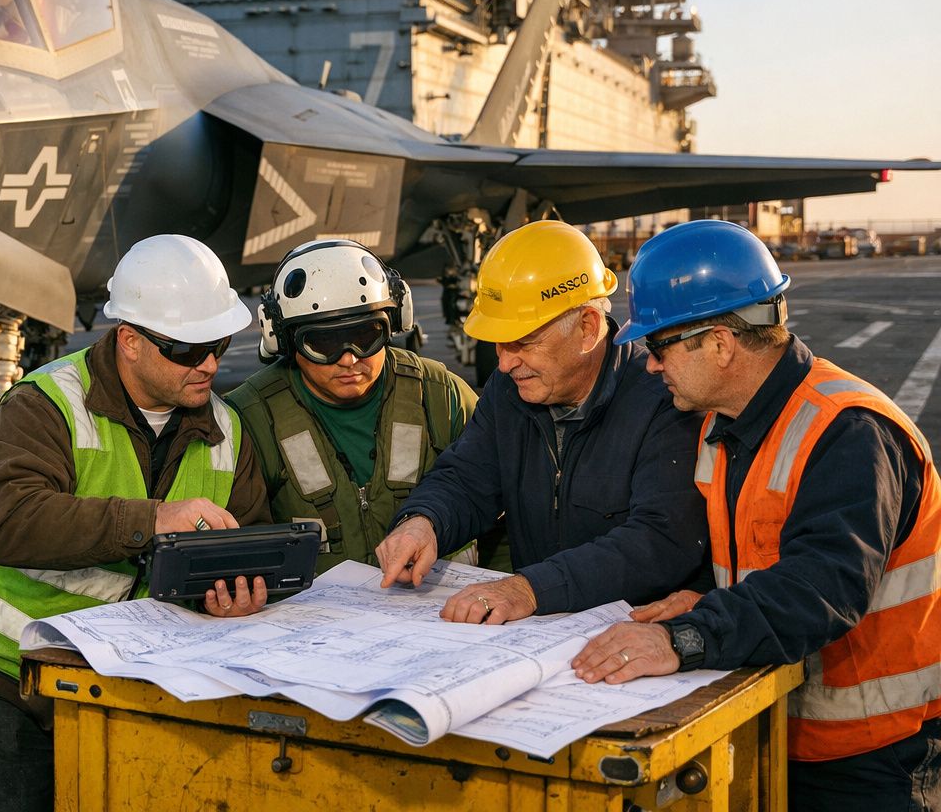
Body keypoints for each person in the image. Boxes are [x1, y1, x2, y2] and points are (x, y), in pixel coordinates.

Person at [571, 220, 940, 811]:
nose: (650, 366)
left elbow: (821, 588)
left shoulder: (848, 432)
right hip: (777, 729)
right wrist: (703, 599)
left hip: (872, 757)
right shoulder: (726, 424)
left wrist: (685, 638)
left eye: (660, 346)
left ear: (719, 343)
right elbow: (762, 562)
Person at [0, 234, 272, 812]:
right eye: (188, 350)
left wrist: (238, 591)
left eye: (217, 344)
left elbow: (248, 539)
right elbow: (12, 523)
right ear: (130, 342)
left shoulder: (228, 430)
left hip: (141, 681)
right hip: (14, 679)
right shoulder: (44, 404)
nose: (210, 365)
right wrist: (155, 519)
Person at [375, 219, 709, 623]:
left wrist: (530, 588)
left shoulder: (665, 399)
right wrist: (423, 522)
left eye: (523, 342)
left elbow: (659, 539)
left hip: (638, 633)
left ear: (587, 327)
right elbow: (468, 476)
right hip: (541, 632)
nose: (504, 362)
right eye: (498, 343)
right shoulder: (510, 390)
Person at [226, 239, 478, 571]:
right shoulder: (252, 417)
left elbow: (502, 513)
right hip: (316, 619)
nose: (348, 359)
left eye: (365, 337)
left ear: (394, 322)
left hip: (441, 611)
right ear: (283, 340)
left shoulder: (440, 396)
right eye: (323, 343)